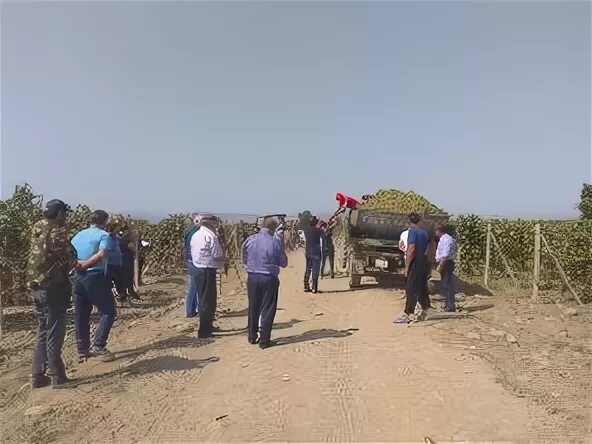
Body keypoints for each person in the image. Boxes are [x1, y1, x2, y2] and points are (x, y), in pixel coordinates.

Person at [27, 199, 79, 389]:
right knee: (55, 329)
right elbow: (68, 255)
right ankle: (57, 375)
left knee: (43, 327)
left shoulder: (38, 226)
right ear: (58, 214)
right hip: (53, 285)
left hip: (36, 284)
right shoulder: (58, 230)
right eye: (63, 213)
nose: (65, 216)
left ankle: (37, 375)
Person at [71, 210, 116, 359]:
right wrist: (87, 264)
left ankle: (82, 349)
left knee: (81, 314)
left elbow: (70, 254)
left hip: (78, 277)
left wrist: (78, 265)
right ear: (104, 221)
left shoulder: (78, 235)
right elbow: (102, 253)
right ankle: (99, 345)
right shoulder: (104, 235)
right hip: (95, 276)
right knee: (108, 311)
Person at [242, 217, 288, 349]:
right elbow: (283, 262)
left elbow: (243, 257)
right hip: (269, 277)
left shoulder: (250, 239)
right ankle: (264, 340)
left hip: (253, 276)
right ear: (274, 228)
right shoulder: (275, 242)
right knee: (268, 308)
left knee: (253, 306)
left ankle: (252, 335)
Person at [190, 214, 226, 339]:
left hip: (198, 269)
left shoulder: (196, 235)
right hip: (207, 270)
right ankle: (205, 331)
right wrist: (224, 259)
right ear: (209, 223)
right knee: (208, 301)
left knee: (203, 299)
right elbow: (217, 254)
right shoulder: (211, 236)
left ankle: (207, 326)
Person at [394, 213, 431, 324]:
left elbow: (411, 248)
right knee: (421, 287)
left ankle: (408, 313)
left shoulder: (412, 232)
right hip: (423, 262)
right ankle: (425, 309)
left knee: (411, 288)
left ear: (408, 222)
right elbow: (432, 246)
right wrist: (429, 261)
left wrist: (407, 266)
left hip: (415, 263)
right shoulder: (425, 232)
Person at [435, 224, 458, 312]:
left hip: (446, 263)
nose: (435, 233)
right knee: (445, 284)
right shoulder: (442, 239)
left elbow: (445, 254)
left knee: (447, 283)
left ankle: (450, 305)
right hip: (444, 262)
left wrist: (440, 266)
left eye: (436, 231)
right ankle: (447, 303)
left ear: (439, 231)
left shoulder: (447, 239)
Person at [183, 215, 200, 317]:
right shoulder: (196, 233)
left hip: (190, 260)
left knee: (193, 286)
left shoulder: (189, 231)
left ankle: (191, 309)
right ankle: (191, 310)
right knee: (195, 286)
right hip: (195, 261)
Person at [303, 216, 323, 293]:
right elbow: (326, 231)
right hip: (316, 252)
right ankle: (314, 287)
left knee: (308, 268)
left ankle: (306, 285)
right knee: (315, 270)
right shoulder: (318, 230)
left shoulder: (306, 230)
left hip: (308, 252)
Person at [106, 220, 124, 300]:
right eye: (116, 227)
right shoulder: (108, 238)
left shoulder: (115, 237)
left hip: (117, 263)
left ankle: (121, 295)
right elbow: (107, 251)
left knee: (119, 281)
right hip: (110, 263)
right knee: (110, 281)